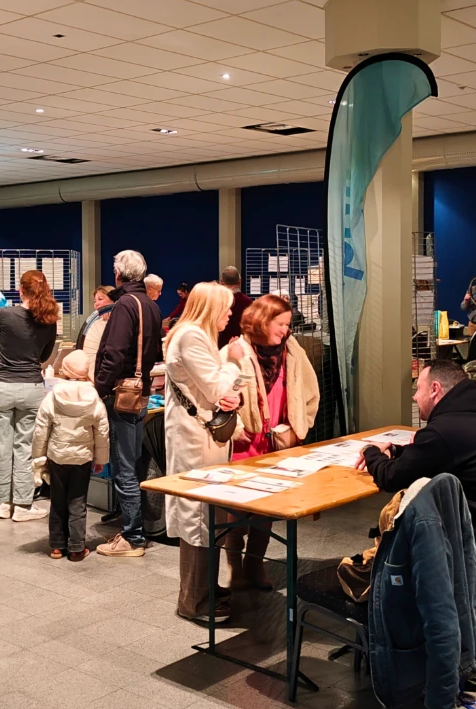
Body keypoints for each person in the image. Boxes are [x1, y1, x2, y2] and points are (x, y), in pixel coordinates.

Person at [359, 361, 476, 587]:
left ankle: (386, 609)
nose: (414, 398)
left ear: (435, 389)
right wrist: (396, 450)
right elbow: (434, 453)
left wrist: (371, 453)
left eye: (418, 389)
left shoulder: (446, 429)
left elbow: (390, 478)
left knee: (402, 536)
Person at [164, 282, 245, 621]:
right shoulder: (193, 336)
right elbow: (215, 386)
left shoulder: (191, 333)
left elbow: (214, 390)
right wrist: (233, 361)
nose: (230, 314)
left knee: (205, 515)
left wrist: (229, 391)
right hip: (195, 440)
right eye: (226, 308)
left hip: (199, 436)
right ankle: (195, 603)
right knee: (199, 516)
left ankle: (204, 590)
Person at [228, 294, 320, 590]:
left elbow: (311, 393)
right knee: (236, 512)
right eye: (280, 324)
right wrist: (236, 427)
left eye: (288, 325)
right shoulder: (235, 351)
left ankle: (254, 566)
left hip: (278, 444)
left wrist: (299, 427)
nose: (285, 330)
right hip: (244, 444)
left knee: (267, 511)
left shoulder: (293, 352)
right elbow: (221, 395)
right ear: (262, 321)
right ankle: (235, 569)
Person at [94, 250, 163, 558]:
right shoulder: (150, 304)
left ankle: (133, 536)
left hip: (123, 392)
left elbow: (115, 352)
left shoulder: (124, 304)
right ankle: (133, 527)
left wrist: (98, 387)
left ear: (118, 275)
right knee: (132, 461)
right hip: (142, 390)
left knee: (124, 465)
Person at [0, 270, 59, 521]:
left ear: (21, 290)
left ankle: (4, 503)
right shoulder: (49, 319)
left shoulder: (6, 314)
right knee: (25, 449)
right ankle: (23, 506)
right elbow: (44, 358)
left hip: (0, 387)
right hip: (31, 388)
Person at [32, 350, 109, 562]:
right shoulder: (94, 398)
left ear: (64, 371)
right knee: (78, 501)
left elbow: (41, 429)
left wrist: (38, 458)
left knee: (57, 500)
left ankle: (57, 546)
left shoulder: (53, 396)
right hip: (82, 458)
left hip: (57, 457)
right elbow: (102, 430)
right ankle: (76, 547)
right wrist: (101, 459)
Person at [80, 285, 114, 381]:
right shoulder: (93, 325)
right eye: (95, 301)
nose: (96, 304)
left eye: (100, 299)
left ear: (114, 300)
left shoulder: (121, 324)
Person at [217, 265, 251, 348]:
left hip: (218, 346)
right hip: (242, 346)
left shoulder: (215, 301)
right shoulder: (248, 302)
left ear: (221, 282)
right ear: (240, 281)